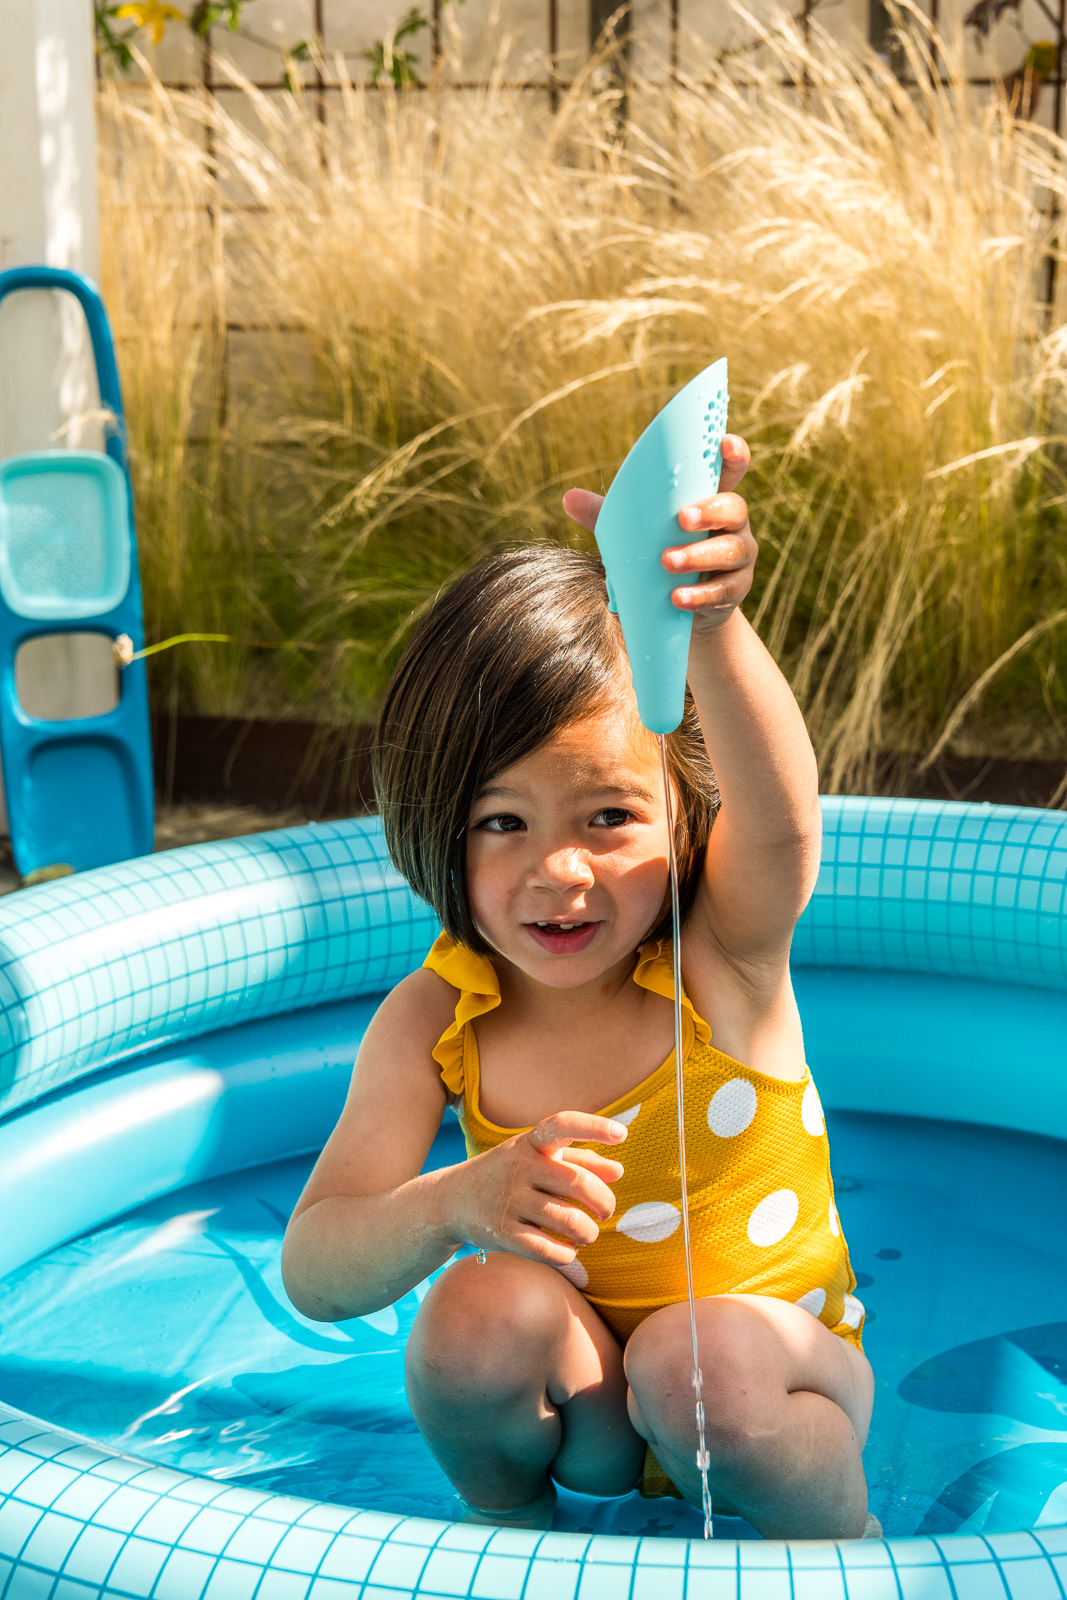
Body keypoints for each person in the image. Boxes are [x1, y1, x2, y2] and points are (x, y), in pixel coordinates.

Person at [281, 434, 876, 1540]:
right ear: (437, 832)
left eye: (607, 816)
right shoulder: (436, 1020)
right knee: (467, 1317)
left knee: (695, 1363)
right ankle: (514, 1546)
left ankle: (846, 1551)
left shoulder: (717, 957)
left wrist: (709, 626)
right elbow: (316, 1267)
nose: (560, 871)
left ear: (681, 806)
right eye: (501, 822)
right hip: (604, 1415)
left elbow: (787, 819)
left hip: (773, 1394)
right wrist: (453, 1203)